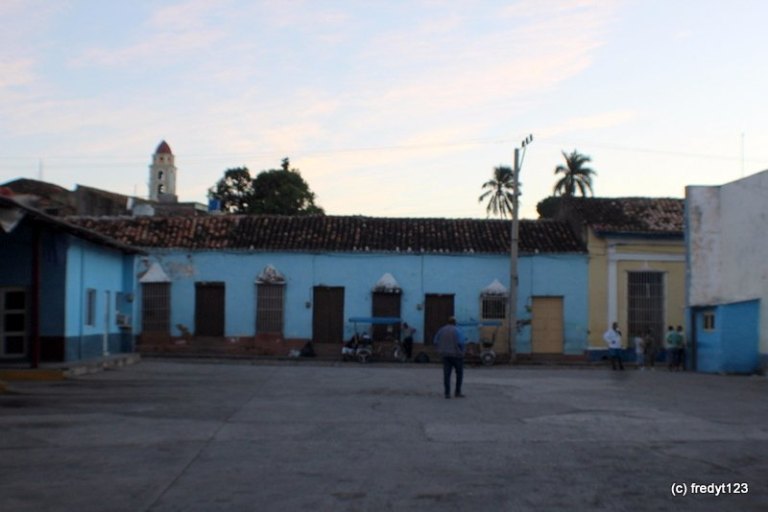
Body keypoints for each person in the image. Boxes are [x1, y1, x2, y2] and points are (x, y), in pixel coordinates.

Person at [434, 317, 467, 399]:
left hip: (445, 355)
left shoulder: (441, 330)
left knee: (446, 374)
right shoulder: (457, 330)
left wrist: (440, 349)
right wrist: (463, 351)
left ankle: (447, 393)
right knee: (459, 374)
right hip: (456, 355)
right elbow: (461, 342)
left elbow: (435, 341)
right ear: (455, 322)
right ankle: (457, 392)